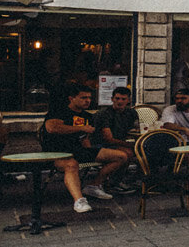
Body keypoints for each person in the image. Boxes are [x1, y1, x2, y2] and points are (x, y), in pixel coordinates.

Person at [42, 84, 128, 213]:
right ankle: (79, 201)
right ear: (72, 98)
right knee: (71, 165)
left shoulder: (87, 116)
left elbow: (84, 138)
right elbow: (52, 128)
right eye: (83, 97)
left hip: (79, 150)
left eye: (89, 98)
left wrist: (92, 153)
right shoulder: (59, 111)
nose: (87, 100)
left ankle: (93, 185)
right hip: (56, 152)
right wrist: (80, 128)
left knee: (121, 156)